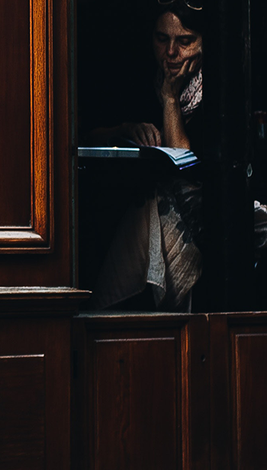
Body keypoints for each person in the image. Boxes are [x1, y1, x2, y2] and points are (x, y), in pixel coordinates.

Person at [90, 2, 208, 311]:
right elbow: (87, 134)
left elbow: (182, 158)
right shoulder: (139, 75)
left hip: (201, 215)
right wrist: (126, 128)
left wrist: (170, 97)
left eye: (184, 41)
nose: (170, 52)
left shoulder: (217, 90)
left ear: (202, 43)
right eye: (161, 39)